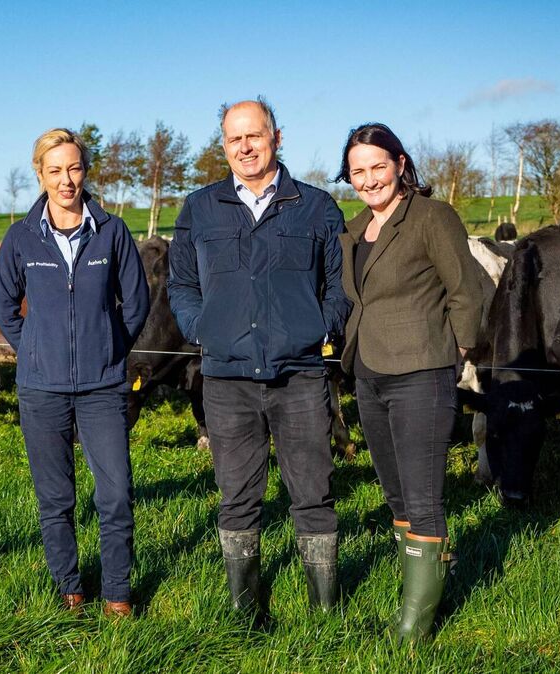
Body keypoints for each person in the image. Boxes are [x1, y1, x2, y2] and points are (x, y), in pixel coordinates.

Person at [168, 99, 351, 617]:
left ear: (277, 137)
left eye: (254, 136)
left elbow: (339, 285)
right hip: (226, 380)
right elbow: (181, 283)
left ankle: (324, 613)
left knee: (313, 491)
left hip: (299, 375)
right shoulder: (199, 209)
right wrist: (202, 328)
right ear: (223, 145)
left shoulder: (315, 206)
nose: (245, 147)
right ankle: (246, 611)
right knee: (238, 495)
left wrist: (320, 328)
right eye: (234, 139)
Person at [333, 122, 483, 643]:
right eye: (358, 171)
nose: (369, 179)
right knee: (396, 494)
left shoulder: (431, 217)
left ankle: (414, 627)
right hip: (369, 375)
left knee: (423, 496)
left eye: (378, 166)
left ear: (400, 164)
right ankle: (414, 587)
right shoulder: (354, 229)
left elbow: (468, 289)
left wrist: (456, 352)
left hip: (422, 372)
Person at [0, 128, 150, 617]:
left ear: (85, 171)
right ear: (40, 174)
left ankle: (118, 592)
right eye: (55, 170)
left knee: (116, 493)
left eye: (75, 168)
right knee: (56, 497)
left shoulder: (112, 231)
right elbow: (3, 307)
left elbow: (136, 304)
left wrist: (108, 348)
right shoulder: (21, 237)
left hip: (104, 387)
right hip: (42, 389)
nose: (66, 180)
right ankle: (69, 587)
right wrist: (35, 350)